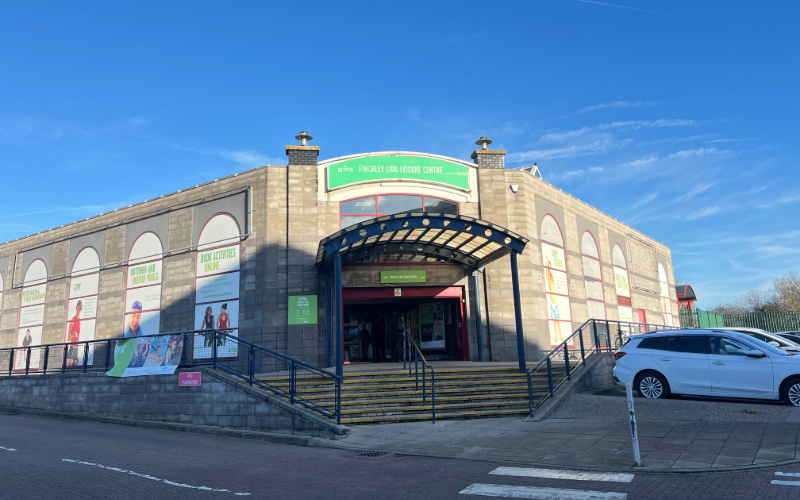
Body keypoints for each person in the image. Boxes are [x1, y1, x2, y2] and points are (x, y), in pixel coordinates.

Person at [66, 300, 82, 367]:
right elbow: (68, 338)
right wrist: (73, 336)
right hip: (72, 346)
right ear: (76, 308)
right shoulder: (73, 320)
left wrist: (77, 354)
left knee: (74, 369)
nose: (79, 311)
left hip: (77, 347)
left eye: (80, 309)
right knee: (69, 367)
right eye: (78, 309)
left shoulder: (79, 320)